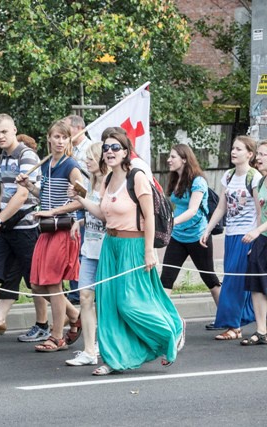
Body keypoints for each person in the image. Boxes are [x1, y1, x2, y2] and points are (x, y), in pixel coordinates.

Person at [71, 131, 184, 376]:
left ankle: (171, 330)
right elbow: (102, 214)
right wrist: (81, 200)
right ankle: (114, 359)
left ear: (125, 151)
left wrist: (149, 251)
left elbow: (150, 216)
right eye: (106, 148)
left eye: (115, 147)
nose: (109, 152)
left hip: (134, 245)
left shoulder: (138, 177)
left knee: (129, 303)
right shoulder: (107, 179)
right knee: (109, 305)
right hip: (110, 246)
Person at [16, 120, 82, 352]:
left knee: (53, 284)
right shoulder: (47, 164)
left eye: (64, 137)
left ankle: (57, 336)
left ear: (69, 140)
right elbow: (44, 195)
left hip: (62, 229)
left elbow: (80, 199)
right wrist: (29, 187)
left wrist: (53, 211)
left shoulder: (70, 165)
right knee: (36, 285)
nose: (60, 141)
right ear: (49, 138)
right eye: (56, 137)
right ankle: (74, 315)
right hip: (46, 228)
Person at [0, 114, 42, 344]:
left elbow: (23, 194)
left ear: (14, 129)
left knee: (37, 280)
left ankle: (46, 323)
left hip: (25, 227)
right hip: (5, 227)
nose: (1, 136)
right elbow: (5, 190)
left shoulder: (27, 155)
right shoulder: (4, 157)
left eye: (4, 131)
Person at [200, 136, 260, 340]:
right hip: (231, 234)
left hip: (247, 236)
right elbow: (221, 207)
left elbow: (261, 212)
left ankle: (234, 326)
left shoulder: (255, 177)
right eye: (233, 148)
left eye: (239, 149)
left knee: (235, 281)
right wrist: (207, 230)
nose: (234, 152)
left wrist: (257, 237)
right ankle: (239, 323)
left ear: (249, 154)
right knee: (234, 280)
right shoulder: (229, 175)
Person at [160, 144, 221, 304]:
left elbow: (193, 210)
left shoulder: (198, 181)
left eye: (173, 157)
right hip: (178, 236)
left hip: (198, 236)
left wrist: (170, 222)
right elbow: (177, 206)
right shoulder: (175, 179)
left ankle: (226, 319)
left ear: (185, 159)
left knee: (209, 277)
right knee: (166, 279)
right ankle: (163, 323)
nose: (169, 160)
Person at [65, 142, 107, 366]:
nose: (87, 161)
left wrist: (81, 201)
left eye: (91, 157)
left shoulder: (111, 184)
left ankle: (108, 344)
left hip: (107, 250)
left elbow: (106, 215)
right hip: (89, 249)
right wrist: (80, 220)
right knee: (85, 297)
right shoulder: (91, 183)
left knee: (108, 301)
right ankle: (90, 350)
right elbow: (93, 214)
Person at [241, 140, 267, 345]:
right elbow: (260, 214)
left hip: (262, 232)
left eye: (263, 154)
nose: (259, 158)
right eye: (258, 154)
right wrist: (256, 239)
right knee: (256, 283)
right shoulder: (260, 182)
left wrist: (257, 231)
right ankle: (261, 330)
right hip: (263, 238)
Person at [64, 115, 92, 305]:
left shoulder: (91, 149)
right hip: (72, 205)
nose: (65, 134)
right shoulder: (69, 151)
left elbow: (91, 181)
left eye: (67, 129)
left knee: (83, 251)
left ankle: (80, 291)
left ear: (78, 128)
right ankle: (76, 290)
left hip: (85, 205)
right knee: (73, 250)